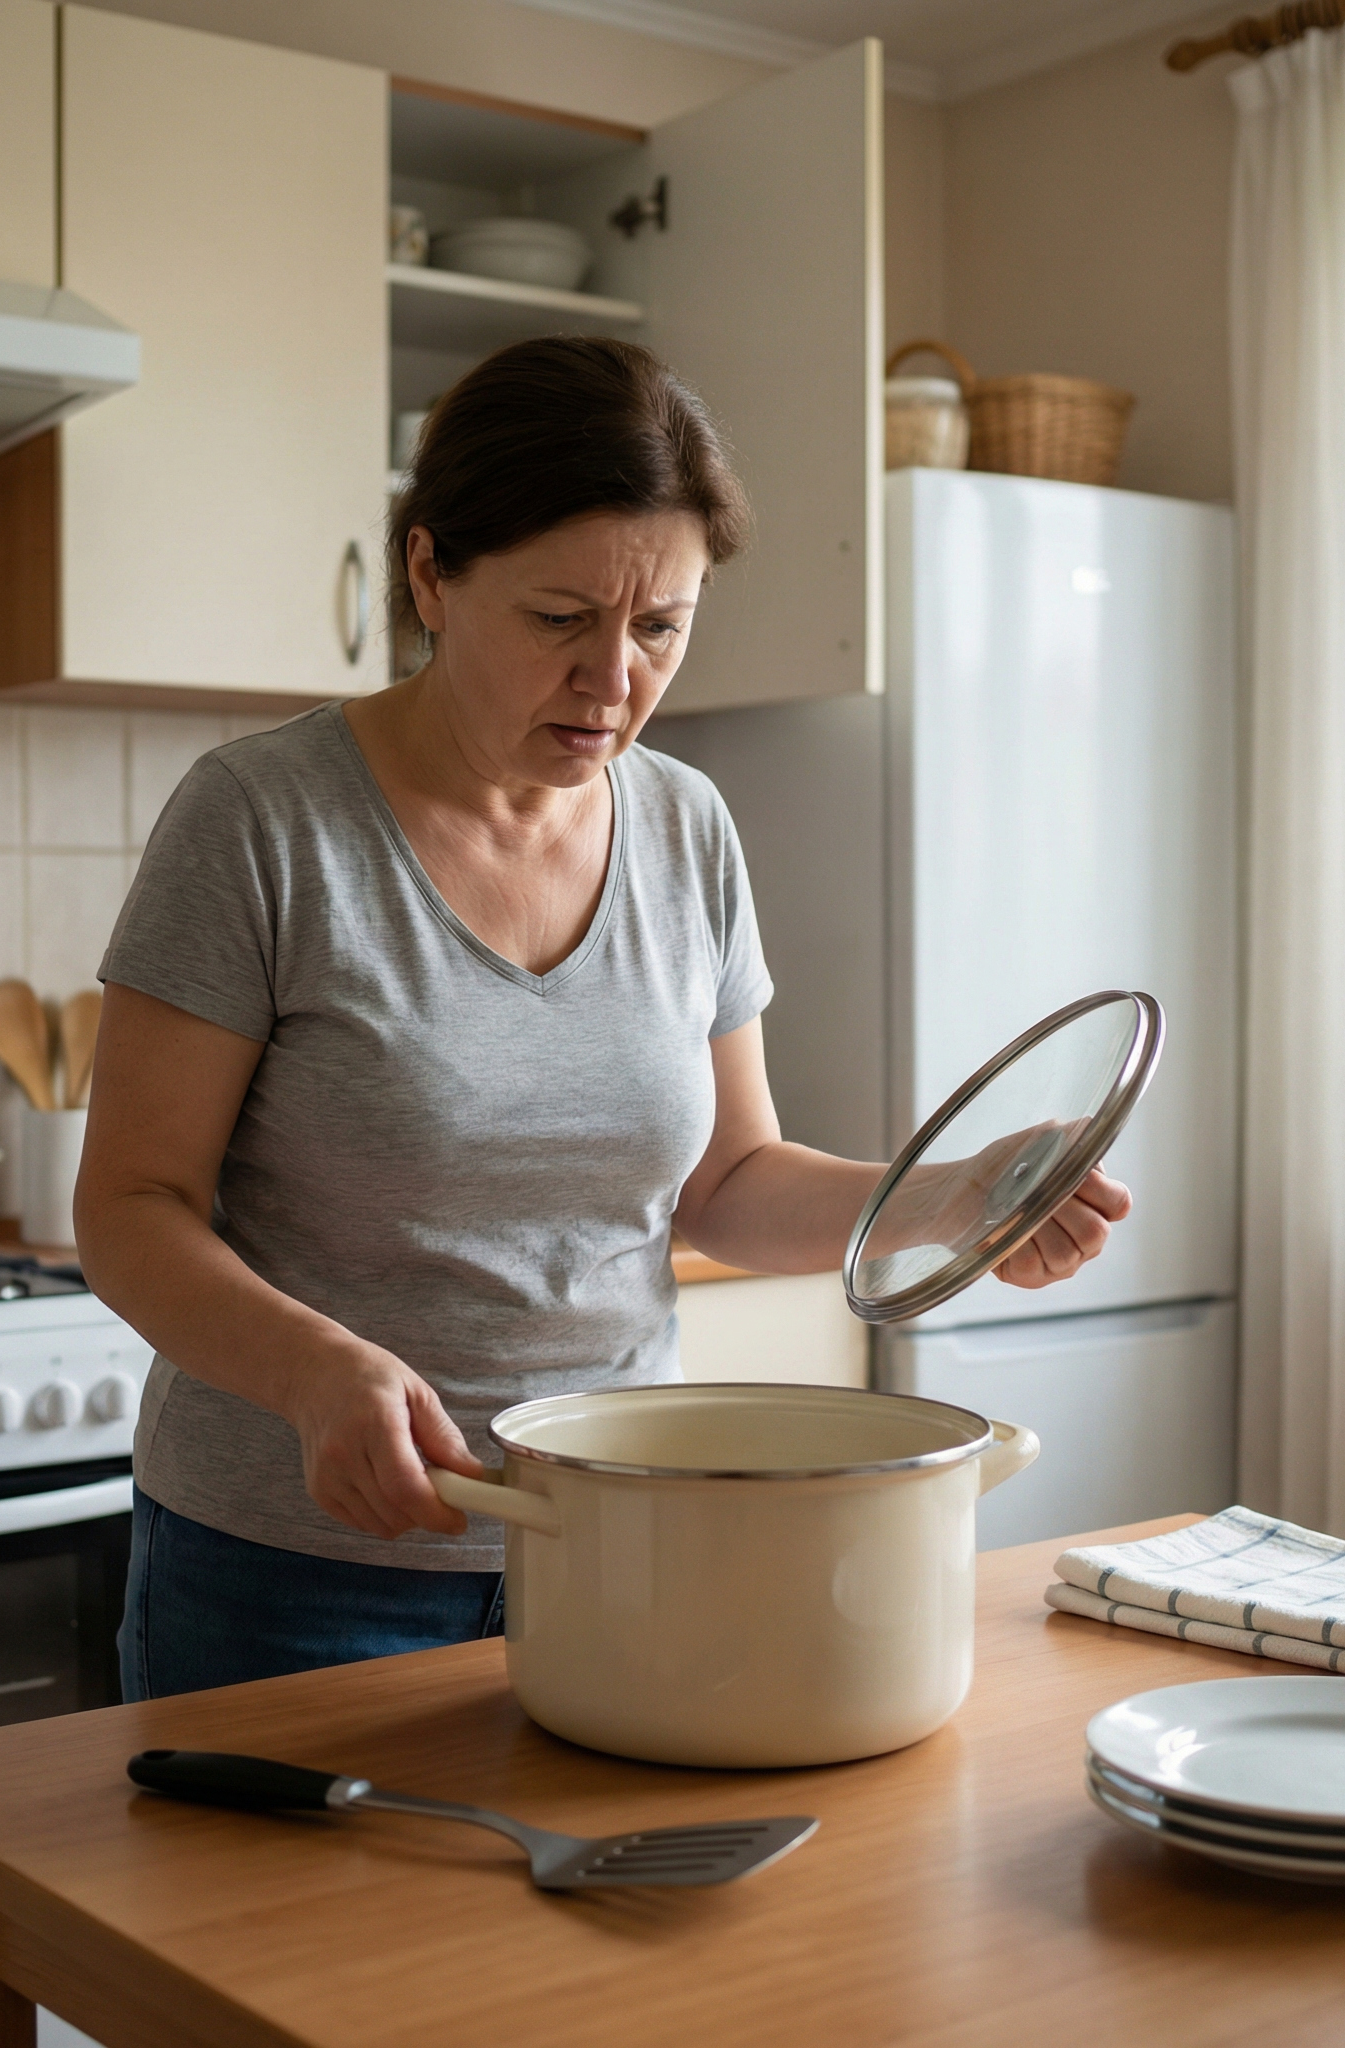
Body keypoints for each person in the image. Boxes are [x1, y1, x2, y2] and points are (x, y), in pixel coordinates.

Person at [75, 335, 1130, 1701]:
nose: (613, 679)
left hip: (617, 1545)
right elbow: (130, 1205)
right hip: (295, 1569)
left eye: (660, 627)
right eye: (560, 619)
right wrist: (310, 1372)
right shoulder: (262, 820)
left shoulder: (686, 825)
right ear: (429, 578)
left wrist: (963, 1195)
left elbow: (730, 1184)